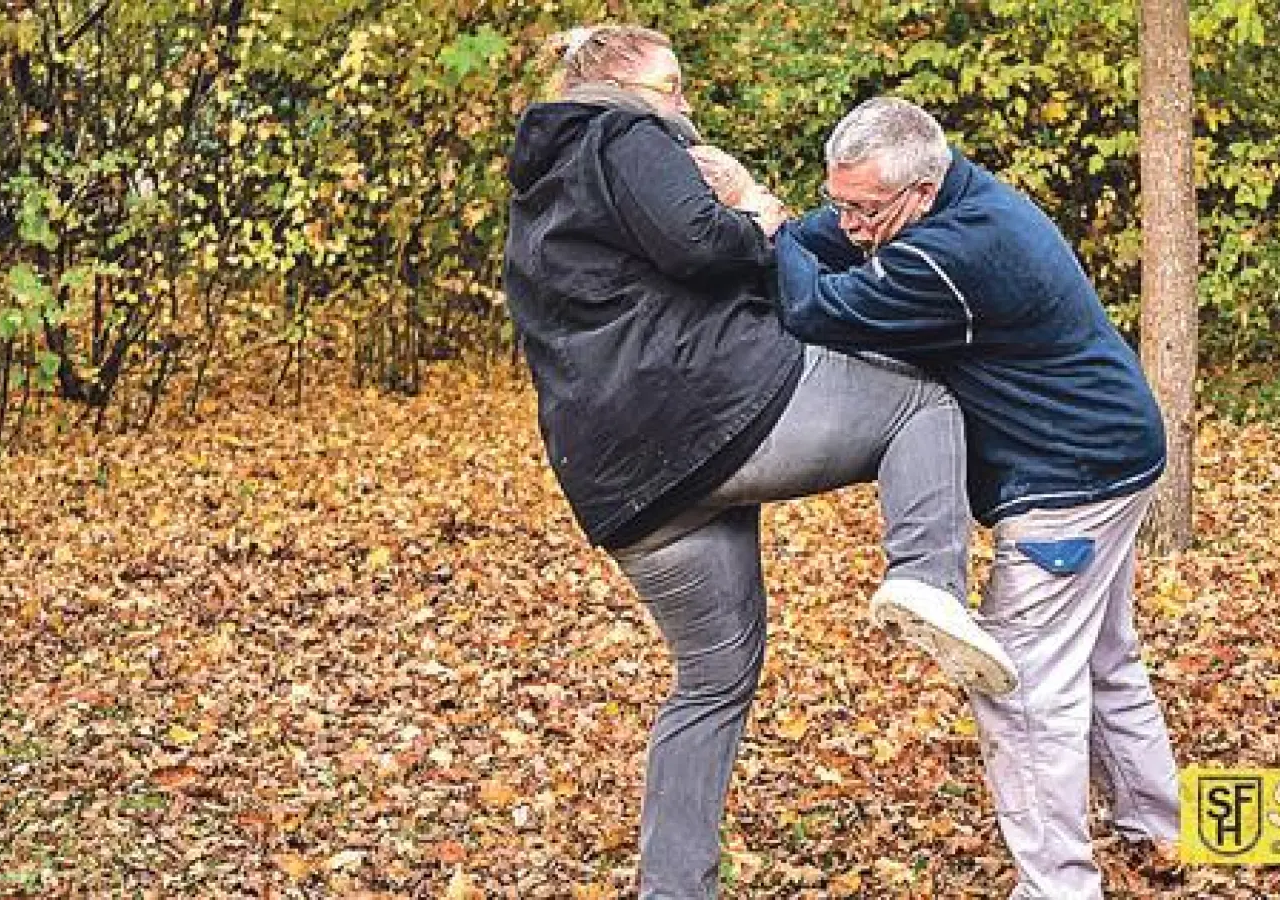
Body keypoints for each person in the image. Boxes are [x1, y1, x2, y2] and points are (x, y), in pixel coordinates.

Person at [501, 28, 1018, 897]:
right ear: (620, 86)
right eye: (672, 86)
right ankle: (928, 574)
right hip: (709, 408)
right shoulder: (626, 134)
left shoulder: (543, 188)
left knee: (711, 678)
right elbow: (702, 243)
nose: (685, 105)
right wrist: (762, 225)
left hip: (624, 479)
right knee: (922, 403)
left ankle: (672, 888)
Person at [771, 96, 1182, 899]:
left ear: (921, 193)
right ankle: (1158, 828)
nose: (848, 225)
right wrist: (791, 226)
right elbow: (821, 243)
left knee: (1020, 684)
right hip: (1114, 451)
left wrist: (767, 228)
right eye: (838, 201)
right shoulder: (953, 198)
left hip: (1070, 480)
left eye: (863, 209)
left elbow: (812, 309)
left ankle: (1058, 886)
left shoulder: (956, 255)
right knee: (1102, 657)